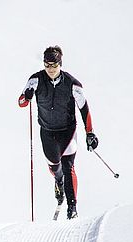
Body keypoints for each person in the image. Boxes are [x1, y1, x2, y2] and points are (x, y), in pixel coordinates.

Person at [18, 46, 99, 219]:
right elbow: (21, 102)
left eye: (54, 66)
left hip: (68, 132)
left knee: (68, 166)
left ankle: (72, 208)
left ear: (60, 64)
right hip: (47, 132)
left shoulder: (73, 84)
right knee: (55, 167)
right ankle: (58, 181)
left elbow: (84, 108)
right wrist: (27, 95)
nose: (51, 69)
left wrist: (90, 132)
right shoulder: (35, 80)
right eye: (47, 65)